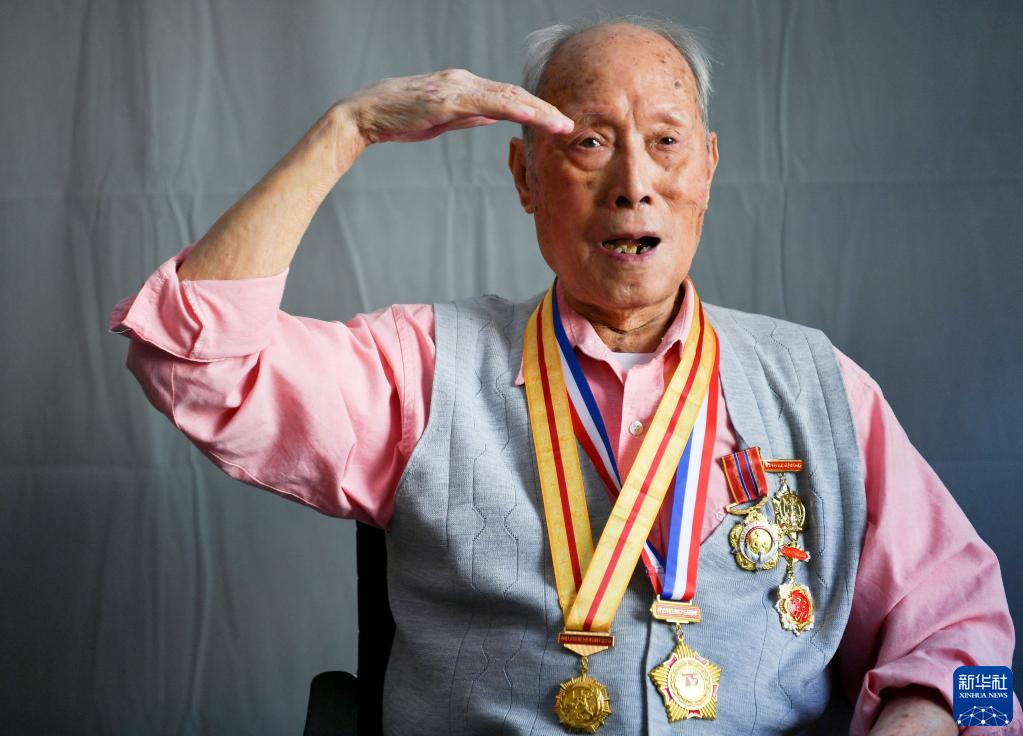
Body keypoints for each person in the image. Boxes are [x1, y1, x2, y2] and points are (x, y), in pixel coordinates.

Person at [110, 16, 1019, 736]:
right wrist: (347, 130)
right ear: (525, 175)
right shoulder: (421, 368)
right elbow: (190, 358)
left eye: (665, 142)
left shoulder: (821, 386)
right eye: (588, 142)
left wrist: (926, 720)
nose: (633, 183)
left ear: (707, 169)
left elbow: (972, 651)